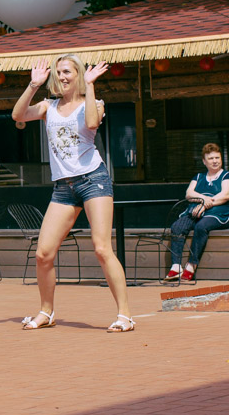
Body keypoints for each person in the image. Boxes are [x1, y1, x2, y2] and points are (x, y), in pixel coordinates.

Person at [10, 55, 136, 333]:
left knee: (102, 248)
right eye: (58, 72)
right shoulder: (49, 106)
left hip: (93, 180)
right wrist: (33, 85)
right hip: (63, 186)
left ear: (79, 74)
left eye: (67, 71)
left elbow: (91, 123)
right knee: (43, 254)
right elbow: (18, 115)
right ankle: (47, 311)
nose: (62, 76)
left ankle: (125, 315)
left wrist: (90, 87)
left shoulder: (95, 103)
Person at [168, 142, 229, 284]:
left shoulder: (227, 176)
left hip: (218, 213)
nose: (215, 161)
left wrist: (205, 205)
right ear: (204, 161)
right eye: (211, 158)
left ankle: (192, 265)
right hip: (195, 210)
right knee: (177, 226)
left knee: (201, 226)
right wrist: (203, 200)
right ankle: (176, 266)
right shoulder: (199, 177)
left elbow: (225, 196)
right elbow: (189, 194)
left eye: (217, 158)